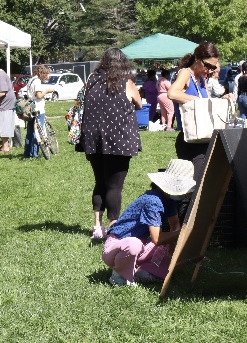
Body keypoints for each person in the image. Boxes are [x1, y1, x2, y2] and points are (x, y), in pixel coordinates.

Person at [102, 159, 196, 287]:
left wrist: (173, 247)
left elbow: (174, 225)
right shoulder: (153, 201)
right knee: (133, 244)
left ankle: (142, 271)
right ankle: (119, 276)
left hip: (142, 244)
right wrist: (183, 233)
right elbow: (157, 239)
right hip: (117, 245)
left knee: (164, 249)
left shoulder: (169, 201)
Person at [81, 47, 142, 240]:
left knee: (100, 181)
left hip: (93, 140)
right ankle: (114, 228)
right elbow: (139, 104)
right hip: (119, 142)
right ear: (122, 63)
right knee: (114, 187)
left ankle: (97, 227)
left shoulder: (91, 81)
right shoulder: (127, 83)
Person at [168, 41, 220, 184]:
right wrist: (196, 99)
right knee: (194, 186)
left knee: (204, 183)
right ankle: (187, 206)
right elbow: (172, 93)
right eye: (207, 65)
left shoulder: (202, 81)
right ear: (197, 59)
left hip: (204, 138)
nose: (209, 70)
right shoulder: (185, 73)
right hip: (189, 140)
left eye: (213, 67)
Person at [24, 64, 56, 158]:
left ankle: (27, 153)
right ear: (43, 73)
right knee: (37, 132)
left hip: (30, 109)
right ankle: (34, 154)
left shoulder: (31, 79)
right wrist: (47, 90)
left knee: (30, 132)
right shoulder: (37, 81)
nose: (48, 76)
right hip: (37, 109)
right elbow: (39, 95)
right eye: (47, 74)